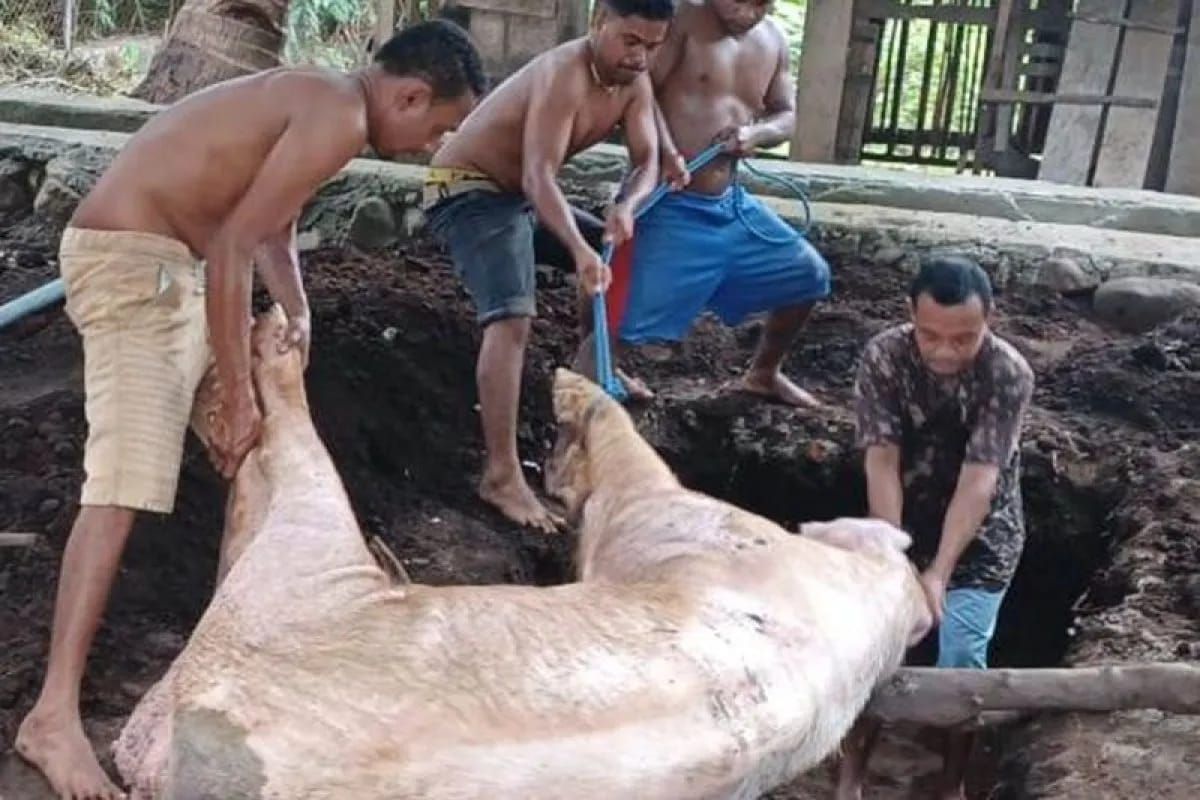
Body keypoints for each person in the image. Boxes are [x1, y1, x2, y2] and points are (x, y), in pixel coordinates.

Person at [15, 21, 486, 800]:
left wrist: (297, 308)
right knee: (127, 477)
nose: (430, 146)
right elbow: (236, 245)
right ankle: (52, 716)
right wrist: (233, 392)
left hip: (169, 262)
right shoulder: (339, 117)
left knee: (249, 427)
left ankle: (254, 650)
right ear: (409, 95)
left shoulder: (329, 101)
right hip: (135, 263)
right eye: (436, 127)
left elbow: (274, 225)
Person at [423, 0, 673, 533]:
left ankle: (596, 364)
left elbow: (647, 160)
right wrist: (581, 252)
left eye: (653, 46)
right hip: (469, 191)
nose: (640, 57)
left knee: (621, 252)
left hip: (517, 197)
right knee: (513, 317)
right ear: (597, 23)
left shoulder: (634, 80)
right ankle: (501, 475)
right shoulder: (564, 74)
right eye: (630, 41)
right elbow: (538, 177)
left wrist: (625, 207)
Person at [837, 256, 1035, 800]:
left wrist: (940, 573)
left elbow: (980, 478)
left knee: (962, 659)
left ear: (990, 319)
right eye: (931, 337)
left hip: (983, 535)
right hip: (902, 520)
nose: (945, 351)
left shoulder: (1008, 372)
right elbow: (881, 460)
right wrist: (893, 559)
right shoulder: (884, 355)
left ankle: (949, 784)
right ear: (910, 317)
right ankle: (851, 779)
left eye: (963, 338)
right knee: (877, 649)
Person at [578, 0, 831, 406]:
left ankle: (764, 374)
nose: (747, 12)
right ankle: (582, 405)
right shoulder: (679, 23)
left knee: (808, 274)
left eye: (760, 4)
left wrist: (757, 134)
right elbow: (640, 91)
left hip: (730, 206)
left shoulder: (774, 40)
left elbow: (786, 115)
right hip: (665, 205)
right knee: (613, 325)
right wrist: (666, 151)